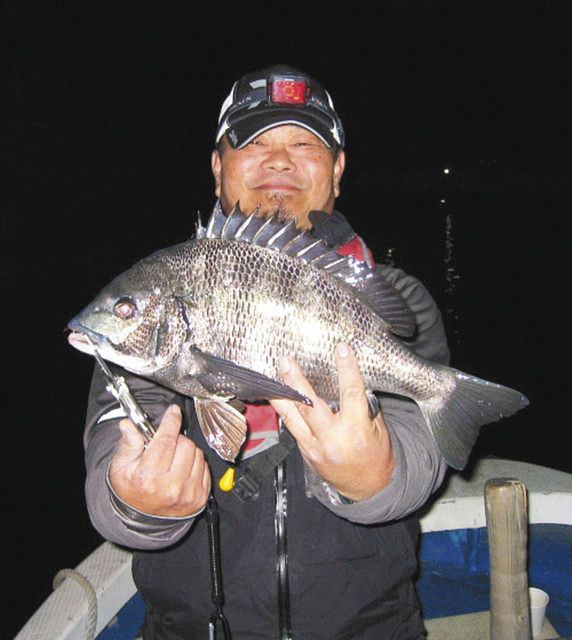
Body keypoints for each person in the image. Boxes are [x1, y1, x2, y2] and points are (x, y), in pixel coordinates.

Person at [83, 65, 450, 639]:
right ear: (217, 167)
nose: (279, 162)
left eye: (304, 144)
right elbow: (110, 474)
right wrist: (137, 502)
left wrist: (373, 476)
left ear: (337, 171)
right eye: (254, 143)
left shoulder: (396, 299)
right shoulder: (166, 291)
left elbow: (421, 460)